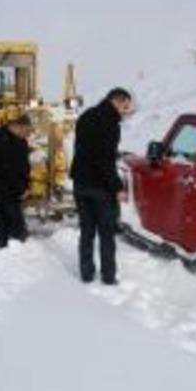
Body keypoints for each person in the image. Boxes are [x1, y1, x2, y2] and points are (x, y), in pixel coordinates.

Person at [70, 87, 133, 285]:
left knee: (86, 231)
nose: (126, 111)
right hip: (100, 187)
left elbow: (85, 150)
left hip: (80, 183)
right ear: (116, 101)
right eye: (125, 106)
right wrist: (117, 187)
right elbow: (104, 160)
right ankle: (108, 276)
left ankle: (86, 274)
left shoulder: (86, 116)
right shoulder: (111, 124)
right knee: (106, 233)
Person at [0, 113, 31, 248]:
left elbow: (22, 167)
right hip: (2, 190)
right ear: (16, 126)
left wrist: (25, 186)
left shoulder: (19, 141)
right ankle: (9, 251)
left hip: (13, 190)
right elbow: (6, 169)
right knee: (9, 224)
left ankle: (11, 249)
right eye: (26, 130)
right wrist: (20, 188)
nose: (28, 133)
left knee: (13, 223)